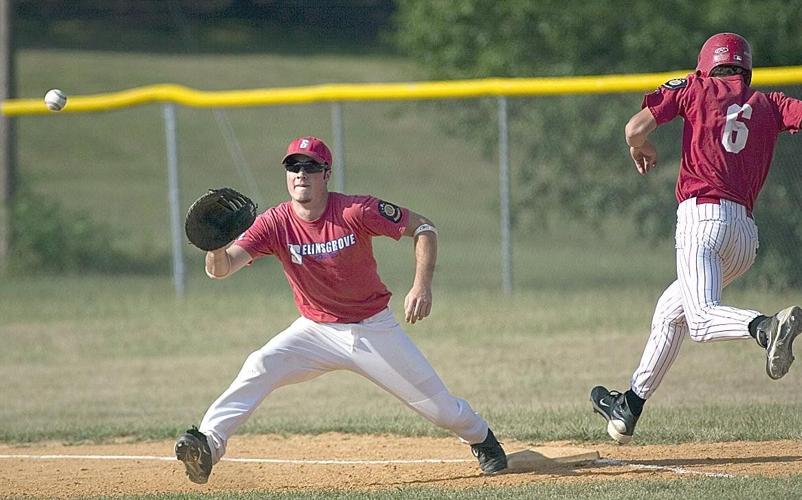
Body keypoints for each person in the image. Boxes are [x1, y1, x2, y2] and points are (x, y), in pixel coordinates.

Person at [175, 135, 507, 483]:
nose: (301, 173)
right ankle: (207, 446)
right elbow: (222, 269)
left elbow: (424, 228)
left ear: (326, 174)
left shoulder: (355, 210)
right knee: (260, 363)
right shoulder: (275, 222)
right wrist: (214, 247)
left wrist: (422, 285)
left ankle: (481, 438)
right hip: (315, 330)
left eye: (310, 166)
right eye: (293, 166)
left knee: (440, 410)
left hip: (372, 329)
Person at [590, 32, 802, 444]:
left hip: (702, 219)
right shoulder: (770, 103)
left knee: (702, 318)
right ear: (747, 67)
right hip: (744, 240)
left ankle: (765, 326)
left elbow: (635, 129)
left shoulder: (694, 86)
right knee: (671, 312)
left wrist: (643, 147)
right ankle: (628, 407)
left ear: (707, 64)